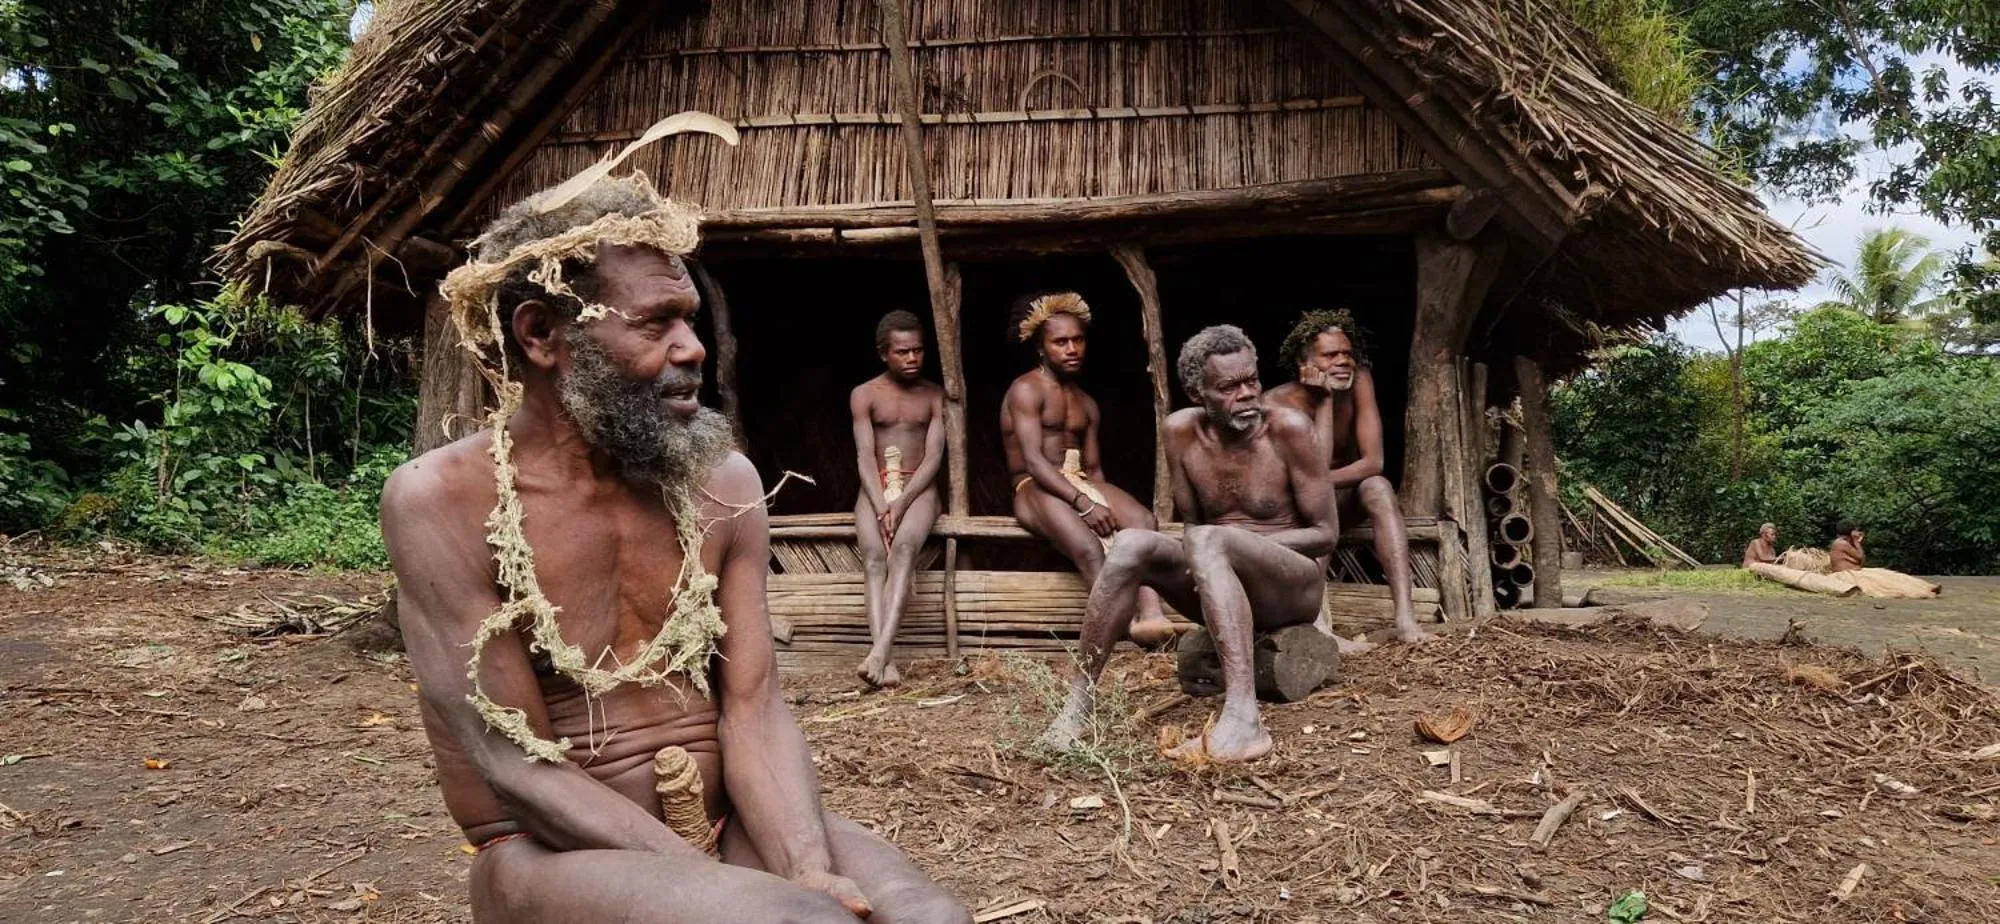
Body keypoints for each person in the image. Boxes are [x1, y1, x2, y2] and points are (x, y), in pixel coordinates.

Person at [381, 175, 967, 923]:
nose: (693, 348)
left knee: (927, 918)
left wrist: (806, 868)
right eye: (656, 324)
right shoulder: (443, 501)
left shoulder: (722, 482)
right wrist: (734, 888)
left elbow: (753, 708)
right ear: (541, 335)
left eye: (688, 320)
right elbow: (512, 761)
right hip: (550, 857)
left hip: (726, 831)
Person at [1039, 325, 1335, 763]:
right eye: (1229, 387)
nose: (1248, 394)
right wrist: (1212, 554)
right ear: (1199, 394)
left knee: (1210, 540)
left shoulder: (1289, 429)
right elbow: (1194, 522)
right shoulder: (1180, 432)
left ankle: (1244, 719)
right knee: (1131, 543)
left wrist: (1232, 545)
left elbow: (1325, 533)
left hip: (1290, 586)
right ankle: (1077, 708)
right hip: (1215, 576)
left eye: (1252, 380)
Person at [999, 291, 1174, 647]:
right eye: (1060, 342)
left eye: (1077, 340)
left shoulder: (1086, 403)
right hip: (1034, 486)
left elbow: (1093, 469)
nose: (1071, 348)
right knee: (1087, 548)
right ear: (1040, 347)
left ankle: (1152, 617)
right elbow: (1033, 460)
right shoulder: (1026, 390)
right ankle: (1112, 638)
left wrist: (1106, 512)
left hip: (1079, 482)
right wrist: (1085, 505)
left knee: (1142, 522)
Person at [1263, 309, 1429, 644]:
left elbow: (1373, 462)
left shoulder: (1361, 381)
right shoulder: (1276, 404)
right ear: (1304, 363)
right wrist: (1324, 402)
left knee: (1379, 489)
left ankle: (1406, 621)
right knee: (1318, 503)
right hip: (1296, 509)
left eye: (1347, 353)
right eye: (1330, 355)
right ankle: (1321, 627)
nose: (1343, 361)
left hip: (1342, 493)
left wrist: (1321, 483)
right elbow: (1310, 474)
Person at [848, 311, 945, 688]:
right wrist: (879, 503)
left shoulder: (935, 395)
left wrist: (900, 503)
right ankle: (883, 662)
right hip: (875, 486)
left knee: (904, 550)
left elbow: (935, 456)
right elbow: (863, 455)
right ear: (884, 354)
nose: (912, 359)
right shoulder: (865, 394)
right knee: (873, 559)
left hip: (919, 488)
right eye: (902, 352)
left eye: (918, 351)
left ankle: (880, 651)